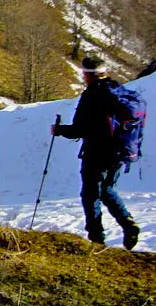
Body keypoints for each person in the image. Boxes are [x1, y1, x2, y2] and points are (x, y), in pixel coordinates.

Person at [51, 55, 140, 249]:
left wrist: (58, 130)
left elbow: (80, 129)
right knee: (107, 190)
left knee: (90, 194)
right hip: (119, 150)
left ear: (87, 74)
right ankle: (128, 223)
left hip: (97, 152)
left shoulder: (92, 95)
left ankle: (96, 238)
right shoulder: (117, 90)